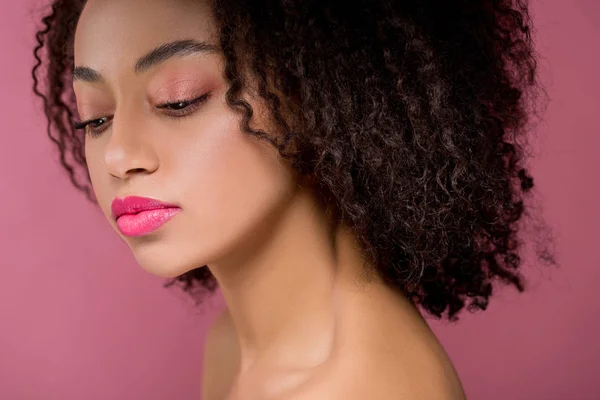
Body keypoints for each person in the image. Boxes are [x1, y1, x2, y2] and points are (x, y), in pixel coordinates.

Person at [32, 0, 556, 398]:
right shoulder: (235, 343)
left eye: (179, 99)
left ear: (318, 92)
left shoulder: (365, 387)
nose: (118, 155)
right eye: (95, 116)